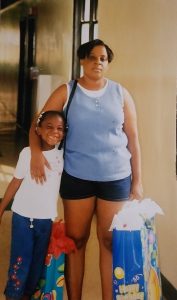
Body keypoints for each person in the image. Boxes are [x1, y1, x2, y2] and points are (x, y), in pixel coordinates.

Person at [29, 39, 143, 300]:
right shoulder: (67, 91)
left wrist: (137, 182)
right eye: (92, 57)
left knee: (109, 242)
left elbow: (133, 139)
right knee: (76, 242)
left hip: (115, 179)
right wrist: (36, 151)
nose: (98, 62)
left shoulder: (121, 94)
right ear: (82, 60)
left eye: (103, 58)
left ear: (107, 63)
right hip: (77, 177)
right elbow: (39, 121)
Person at [0, 110, 65, 300]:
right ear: (38, 129)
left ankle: (26, 295)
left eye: (60, 128)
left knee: (37, 265)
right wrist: (1, 208)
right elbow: (15, 182)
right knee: (20, 263)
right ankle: (13, 295)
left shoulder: (62, 157)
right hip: (22, 218)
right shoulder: (27, 153)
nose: (55, 132)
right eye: (49, 127)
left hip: (45, 220)